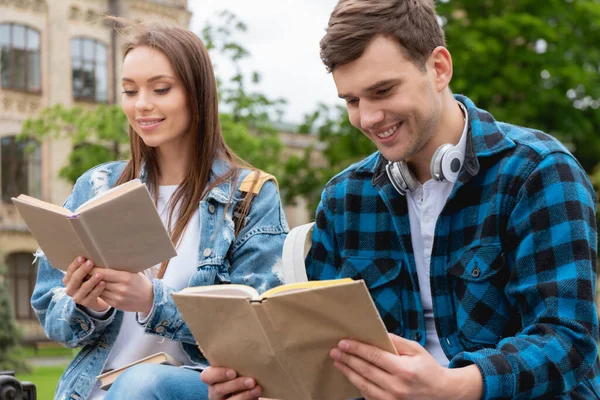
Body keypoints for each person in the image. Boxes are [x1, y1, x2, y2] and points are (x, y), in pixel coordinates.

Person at [202, 0, 600, 399]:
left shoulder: (538, 172)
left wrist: (455, 386)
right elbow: (319, 350)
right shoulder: (345, 198)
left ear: (439, 68)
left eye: (383, 91)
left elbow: (568, 340)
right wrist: (263, 383)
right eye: (353, 101)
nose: (369, 118)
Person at [30, 22, 289, 400]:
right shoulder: (98, 186)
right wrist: (89, 305)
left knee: (141, 385)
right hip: (95, 391)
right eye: (129, 91)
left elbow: (260, 329)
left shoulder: (248, 197)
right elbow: (54, 317)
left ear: (196, 94)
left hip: (191, 388)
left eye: (161, 89)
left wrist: (153, 301)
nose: (141, 105)